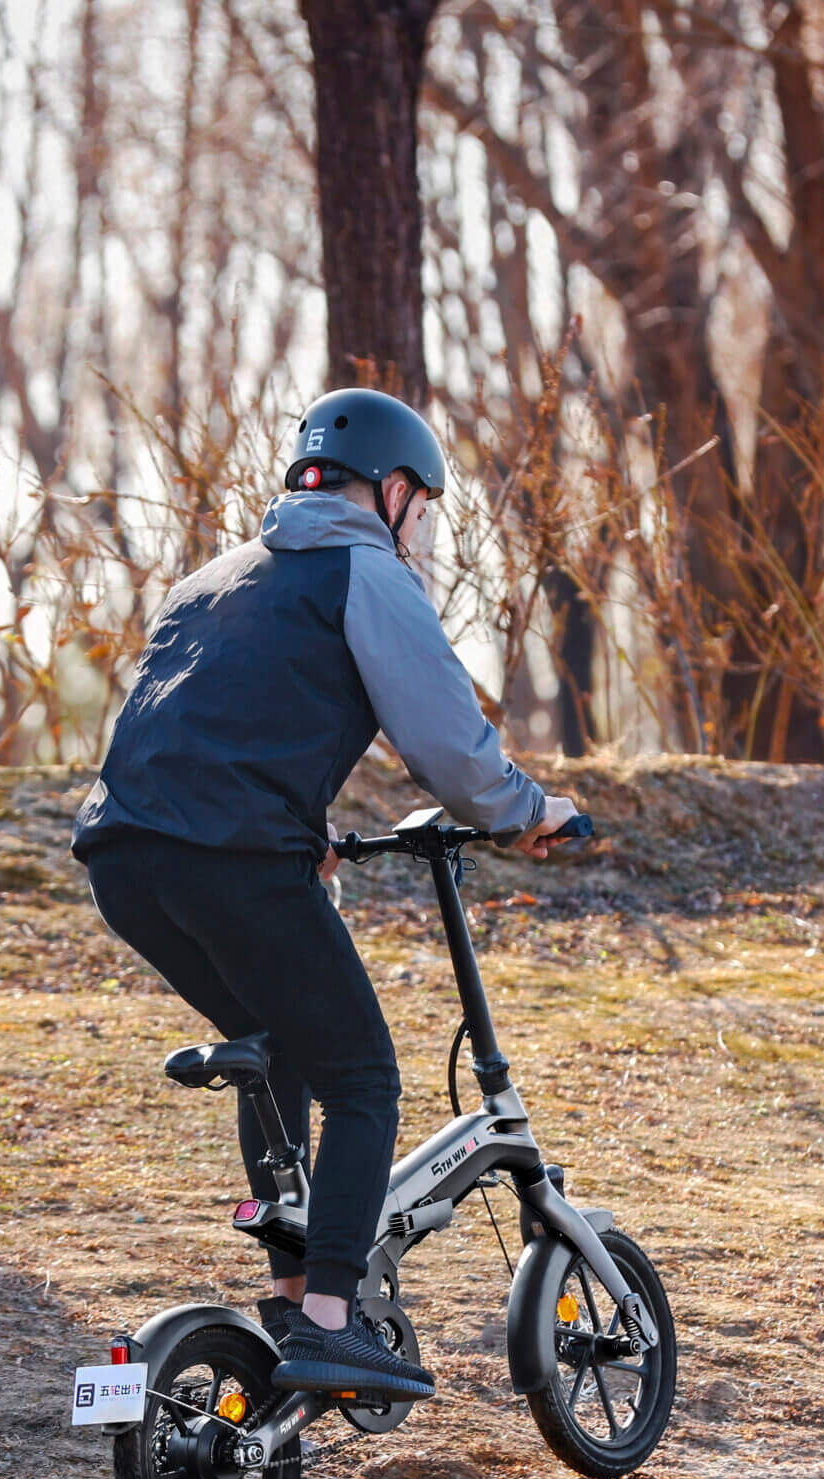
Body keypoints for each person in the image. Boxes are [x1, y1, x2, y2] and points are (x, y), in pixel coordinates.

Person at [71, 387, 580, 1401]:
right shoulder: (366, 570)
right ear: (391, 492)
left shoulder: (210, 578)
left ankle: (296, 1282)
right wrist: (527, 811)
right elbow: (449, 748)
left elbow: (205, 727)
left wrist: (302, 838)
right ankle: (331, 1321)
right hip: (230, 858)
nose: (419, 532)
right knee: (362, 1078)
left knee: (278, 1048)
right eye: (422, 510)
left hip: (125, 858)